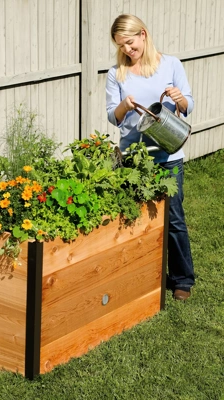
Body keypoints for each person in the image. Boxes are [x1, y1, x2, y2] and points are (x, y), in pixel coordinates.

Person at [106, 14, 195, 301]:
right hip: (133, 159)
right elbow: (113, 117)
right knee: (134, 219)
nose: (127, 51)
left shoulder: (171, 64)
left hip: (168, 156)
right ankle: (141, 275)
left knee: (174, 218)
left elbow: (188, 105)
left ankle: (182, 279)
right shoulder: (116, 74)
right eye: (122, 47)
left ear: (143, 34)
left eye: (130, 44)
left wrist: (179, 98)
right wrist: (124, 105)